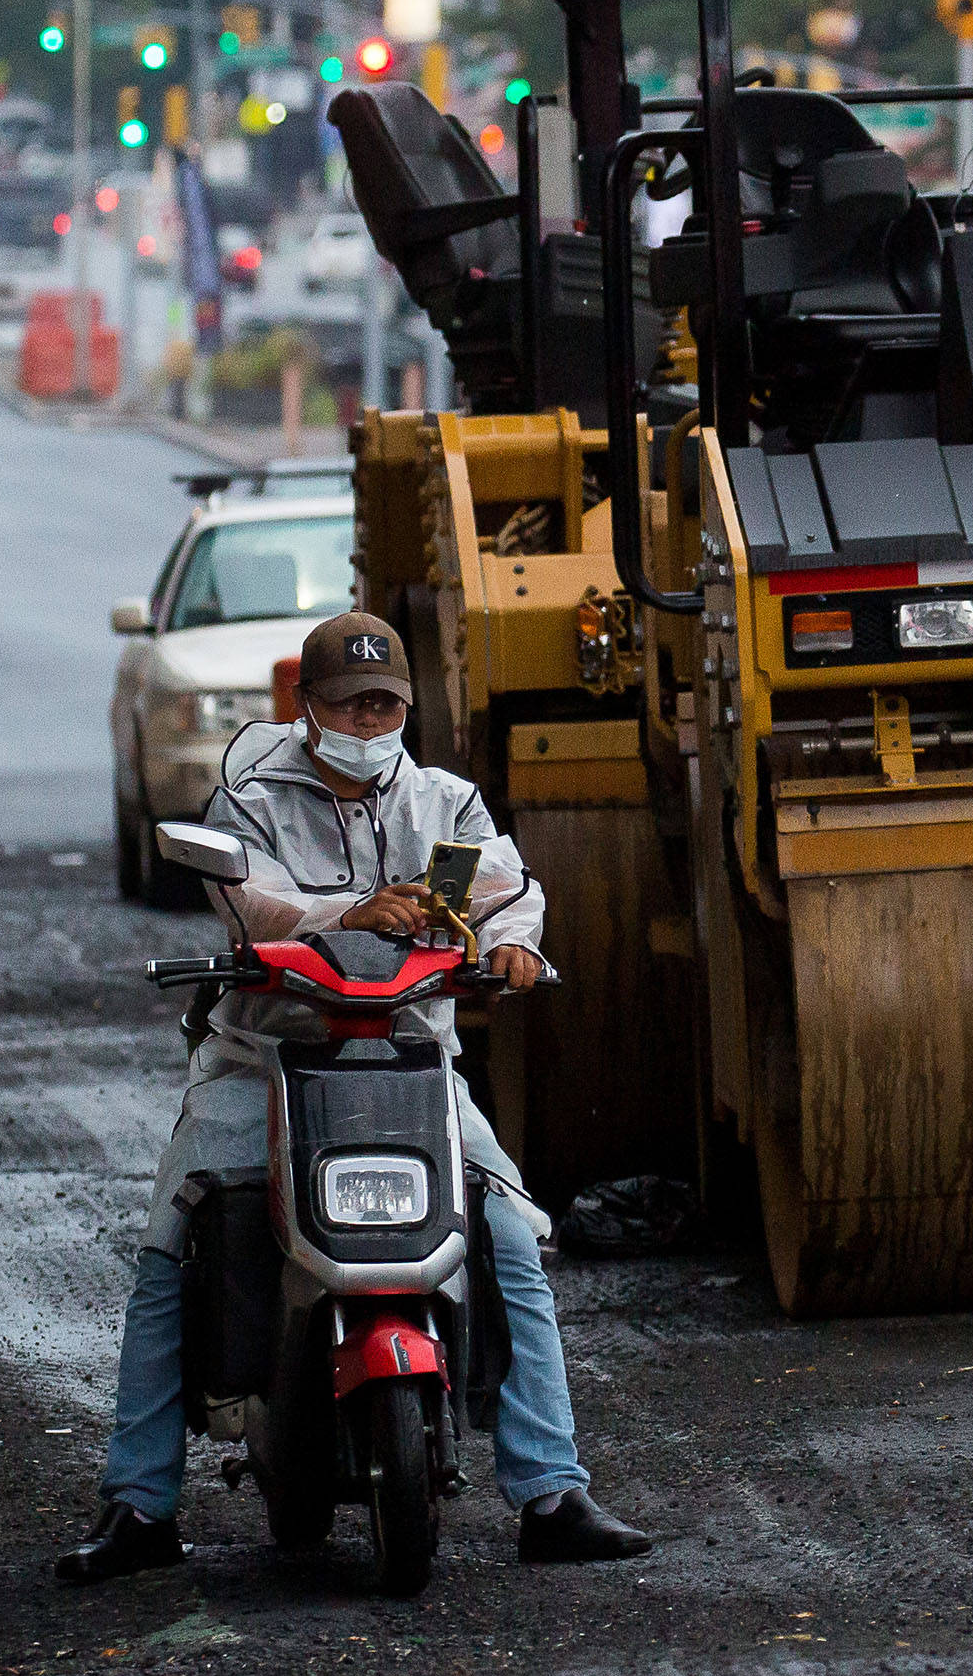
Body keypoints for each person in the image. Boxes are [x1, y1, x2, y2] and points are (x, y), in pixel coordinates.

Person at [56, 610, 651, 1583]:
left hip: (412, 1060)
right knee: (173, 1244)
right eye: (348, 704)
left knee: (508, 1231)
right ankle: (141, 1504)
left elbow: (502, 890)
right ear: (307, 707)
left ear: (407, 709)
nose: (367, 724)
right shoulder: (250, 801)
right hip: (264, 1062)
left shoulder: (445, 803)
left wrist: (514, 945)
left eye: (384, 706)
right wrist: (348, 913)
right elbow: (254, 903)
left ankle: (551, 1491)